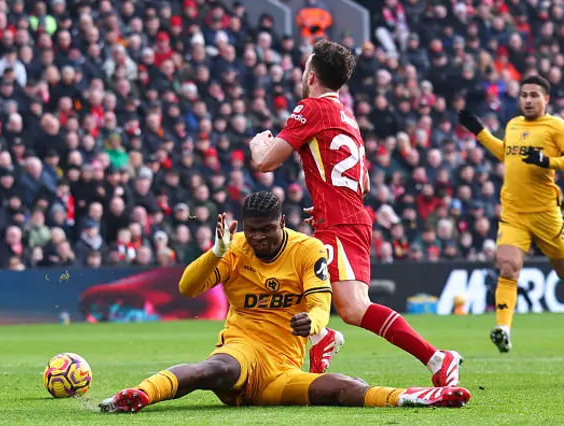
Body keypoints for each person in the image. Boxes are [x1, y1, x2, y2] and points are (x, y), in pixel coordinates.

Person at [99, 192, 471, 413]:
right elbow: (187, 288)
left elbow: (321, 300)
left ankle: (418, 397)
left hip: (282, 369)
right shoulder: (233, 249)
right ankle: (137, 395)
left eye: (266, 228)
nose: (258, 237)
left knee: (343, 389)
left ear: (283, 222)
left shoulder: (307, 249)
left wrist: (314, 324)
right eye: (252, 228)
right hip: (243, 348)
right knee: (214, 370)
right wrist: (215, 252)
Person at [248, 39, 462, 386]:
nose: (302, 74)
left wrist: (257, 145)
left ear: (312, 75)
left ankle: (437, 358)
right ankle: (320, 340)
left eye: (305, 68)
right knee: (292, 279)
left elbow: (266, 162)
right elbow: (360, 181)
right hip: (345, 216)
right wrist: (323, 198)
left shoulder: (311, 108)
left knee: (354, 307)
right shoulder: (348, 117)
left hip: (340, 222)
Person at [459, 75, 564, 353]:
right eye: (524, 95)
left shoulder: (555, 126)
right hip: (514, 213)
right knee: (507, 267)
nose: (528, 100)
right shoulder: (514, 124)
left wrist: (548, 161)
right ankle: (503, 328)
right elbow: (507, 153)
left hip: (545, 213)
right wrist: (480, 133)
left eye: (534, 96)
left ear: (546, 99)